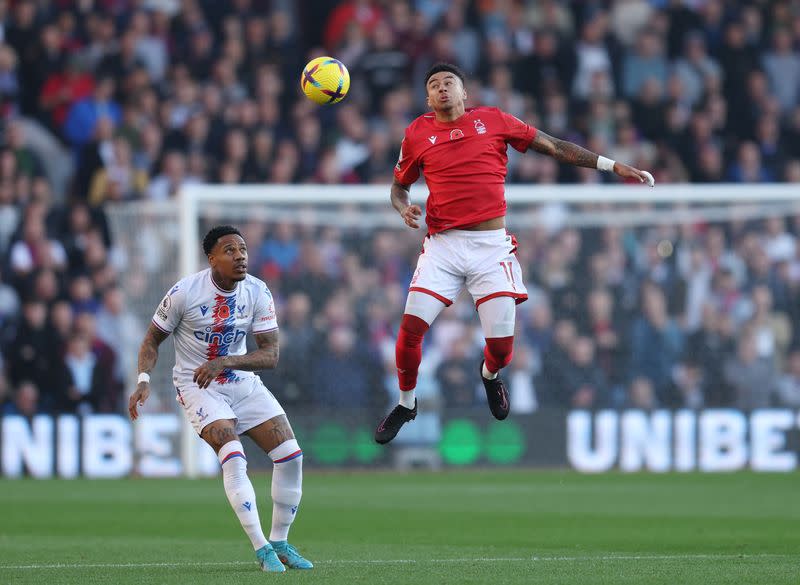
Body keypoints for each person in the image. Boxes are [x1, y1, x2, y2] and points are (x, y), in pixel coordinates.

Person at [375, 63, 655, 444]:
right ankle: (407, 404)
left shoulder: (493, 120)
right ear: (427, 98)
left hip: (491, 248)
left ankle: (489, 375)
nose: (441, 88)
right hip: (443, 246)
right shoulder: (417, 133)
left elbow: (555, 146)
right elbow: (398, 187)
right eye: (433, 85)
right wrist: (402, 207)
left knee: (503, 349)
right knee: (409, 331)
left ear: (464, 93)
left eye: (448, 83)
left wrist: (611, 165)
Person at [127, 225, 312, 573]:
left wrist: (226, 361)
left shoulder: (257, 290)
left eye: (242, 249)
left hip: (239, 378)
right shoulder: (184, 293)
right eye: (229, 250)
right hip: (196, 384)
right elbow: (152, 340)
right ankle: (261, 548)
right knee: (233, 454)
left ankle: (281, 541)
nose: (240, 255)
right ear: (211, 259)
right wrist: (143, 379)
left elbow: (271, 354)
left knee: (291, 456)